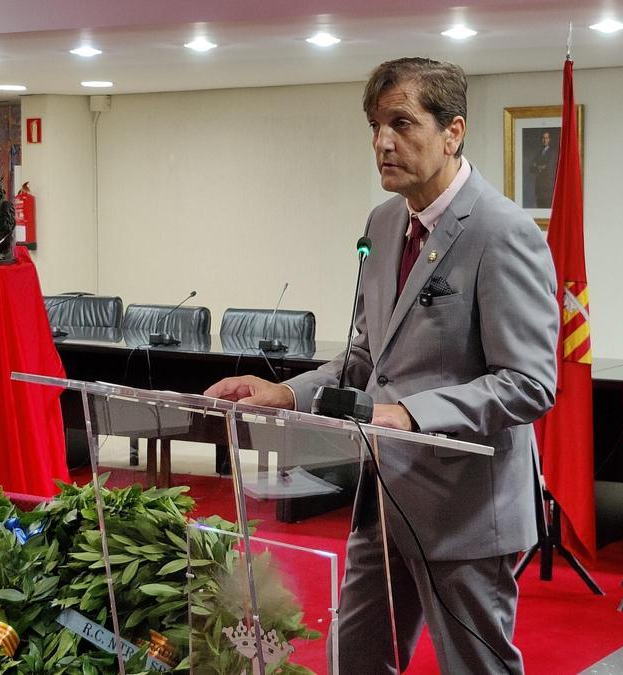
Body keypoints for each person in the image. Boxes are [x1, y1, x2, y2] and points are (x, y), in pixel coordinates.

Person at [205, 57, 558, 674]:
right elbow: (369, 357)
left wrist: (410, 414)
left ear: (453, 132)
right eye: (374, 125)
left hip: (464, 511)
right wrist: (285, 394)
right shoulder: (384, 222)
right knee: (359, 656)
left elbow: (528, 383)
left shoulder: (503, 232)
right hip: (381, 499)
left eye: (400, 123)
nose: (382, 142)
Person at [528, 130, 556, 208]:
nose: (545, 140)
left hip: (547, 186)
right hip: (539, 186)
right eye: (543, 138)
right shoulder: (538, 153)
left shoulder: (552, 153)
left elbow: (548, 168)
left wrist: (537, 166)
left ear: (549, 139)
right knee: (539, 206)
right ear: (541, 139)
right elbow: (531, 168)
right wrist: (541, 167)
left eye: (546, 138)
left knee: (547, 209)